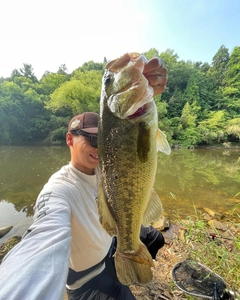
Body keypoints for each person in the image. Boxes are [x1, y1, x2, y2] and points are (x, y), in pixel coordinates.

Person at [0, 57, 168, 300]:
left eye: (104, 140)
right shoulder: (58, 189)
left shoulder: (108, 168)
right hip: (89, 279)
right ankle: (126, 267)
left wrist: (144, 89)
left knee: (156, 238)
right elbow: (43, 239)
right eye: (91, 139)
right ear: (70, 140)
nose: (99, 148)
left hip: (112, 244)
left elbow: (132, 154)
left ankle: (132, 261)